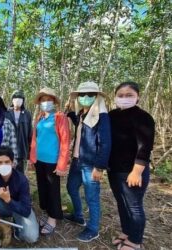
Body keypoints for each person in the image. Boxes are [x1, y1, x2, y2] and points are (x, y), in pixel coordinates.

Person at [108, 82, 155, 250]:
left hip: (133, 170)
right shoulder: (111, 115)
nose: (124, 98)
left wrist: (136, 172)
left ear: (138, 97)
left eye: (129, 95)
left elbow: (145, 147)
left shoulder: (143, 117)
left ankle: (135, 242)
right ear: (115, 97)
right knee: (122, 203)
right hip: (114, 169)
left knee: (134, 206)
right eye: (120, 95)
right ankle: (127, 232)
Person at [65, 81, 111, 242]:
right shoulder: (81, 114)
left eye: (90, 95)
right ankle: (78, 215)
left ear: (97, 97)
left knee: (92, 196)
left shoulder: (101, 116)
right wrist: (69, 110)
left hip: (91, 163)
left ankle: (93, 228)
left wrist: (99, 167)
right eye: (82, 95)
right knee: (71, 187)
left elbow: (105, 142)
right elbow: (79, 125)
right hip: (77, 160)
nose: (86, 97)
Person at [29, 87, 70, 235]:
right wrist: (32, 159)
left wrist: (62, 165)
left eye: (49, 100)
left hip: (53, 161)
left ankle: (53, 218)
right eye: (43, 100)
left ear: (54, 102)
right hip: (39, 160)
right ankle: (46, 213)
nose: (46, 102)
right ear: (39, 102)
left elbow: (65, 142)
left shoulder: (60, 117)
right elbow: (35, 139)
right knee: (42, 188)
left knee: (53, 190)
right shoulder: (39, 118)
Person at [0, 146, 39, 243]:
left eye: (7, 162)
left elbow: (26, 210)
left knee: (31, 237)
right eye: (0, 162)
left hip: (20, 208)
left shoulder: (22, 180)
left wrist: (9, 200)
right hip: (3, 204)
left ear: (12, 162)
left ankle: (17, 230)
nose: (3, 165)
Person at [5, 90, 32, 173]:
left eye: (20, 98)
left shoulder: (27, 114)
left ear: (23, 100)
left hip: (21, 148)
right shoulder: (6, 113)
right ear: (12, 100)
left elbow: (30, 133)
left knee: (19, 174)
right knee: (7, 173)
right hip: (8, 149)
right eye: (15, 98)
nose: (18, 100)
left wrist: (29, 151)